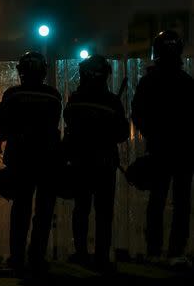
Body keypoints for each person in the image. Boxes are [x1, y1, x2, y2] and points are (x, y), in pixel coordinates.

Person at [0, 51, 62, 280]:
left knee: (21, 210)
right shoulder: (53, 96)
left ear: (21, 71)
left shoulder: (13, 95)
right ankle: (37, 258)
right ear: (43, 71)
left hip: (21, 160)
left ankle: (17, 258)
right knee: (43, 213)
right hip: (47, 161)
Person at [132, 30, 194, 267]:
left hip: (160, 150)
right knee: (181, 203)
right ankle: (174, 251)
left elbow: (137, 113)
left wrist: (153, 134)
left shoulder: (149, 81)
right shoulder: (186, 81)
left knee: (157, 200)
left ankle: (154, 250)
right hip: (184, 152)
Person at [64, 55, 129, 271]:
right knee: (104, 212)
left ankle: (81, 253)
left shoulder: (75, 99)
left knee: (81, 209)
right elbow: (121, 134)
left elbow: (70, 128)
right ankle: (101, 256)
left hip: (81, 163)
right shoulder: (112, 101)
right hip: (104, 163)